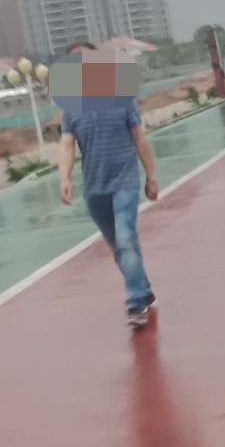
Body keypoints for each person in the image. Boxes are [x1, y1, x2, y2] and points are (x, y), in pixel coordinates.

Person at [58, 41, 160, 327]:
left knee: (127, 240)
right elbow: (66, 145)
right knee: (118, 249)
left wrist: (151, 176)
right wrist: (64, 178)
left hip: (125, 181)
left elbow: (140, 138)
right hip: (95, 189)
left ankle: (136, 304)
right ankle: (144, 289)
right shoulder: (71, 108)